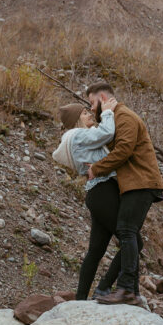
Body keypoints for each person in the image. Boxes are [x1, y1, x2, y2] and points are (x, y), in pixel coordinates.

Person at [53, 96, 143, 301]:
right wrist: (108, 112)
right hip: (103, 191)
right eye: (84, 113)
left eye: (88, 111)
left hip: (99, 193)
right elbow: (106, 133)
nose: (89, 114)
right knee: (135, 240)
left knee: (96, 250)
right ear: (76, 119)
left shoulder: (78, 137)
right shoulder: (77, 134)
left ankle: (81, 299)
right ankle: (104, 287)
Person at [85, 82, 163, 306]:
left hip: (141, 183)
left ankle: (127, 290)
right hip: (134, 183)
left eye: (93, 103)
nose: (92, 108)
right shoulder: (116, 117)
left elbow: (123, 150)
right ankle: (132, 292)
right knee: (127, 232)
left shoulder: (125, 116)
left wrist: (96, 168)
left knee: (127, 231)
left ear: (102, 97)